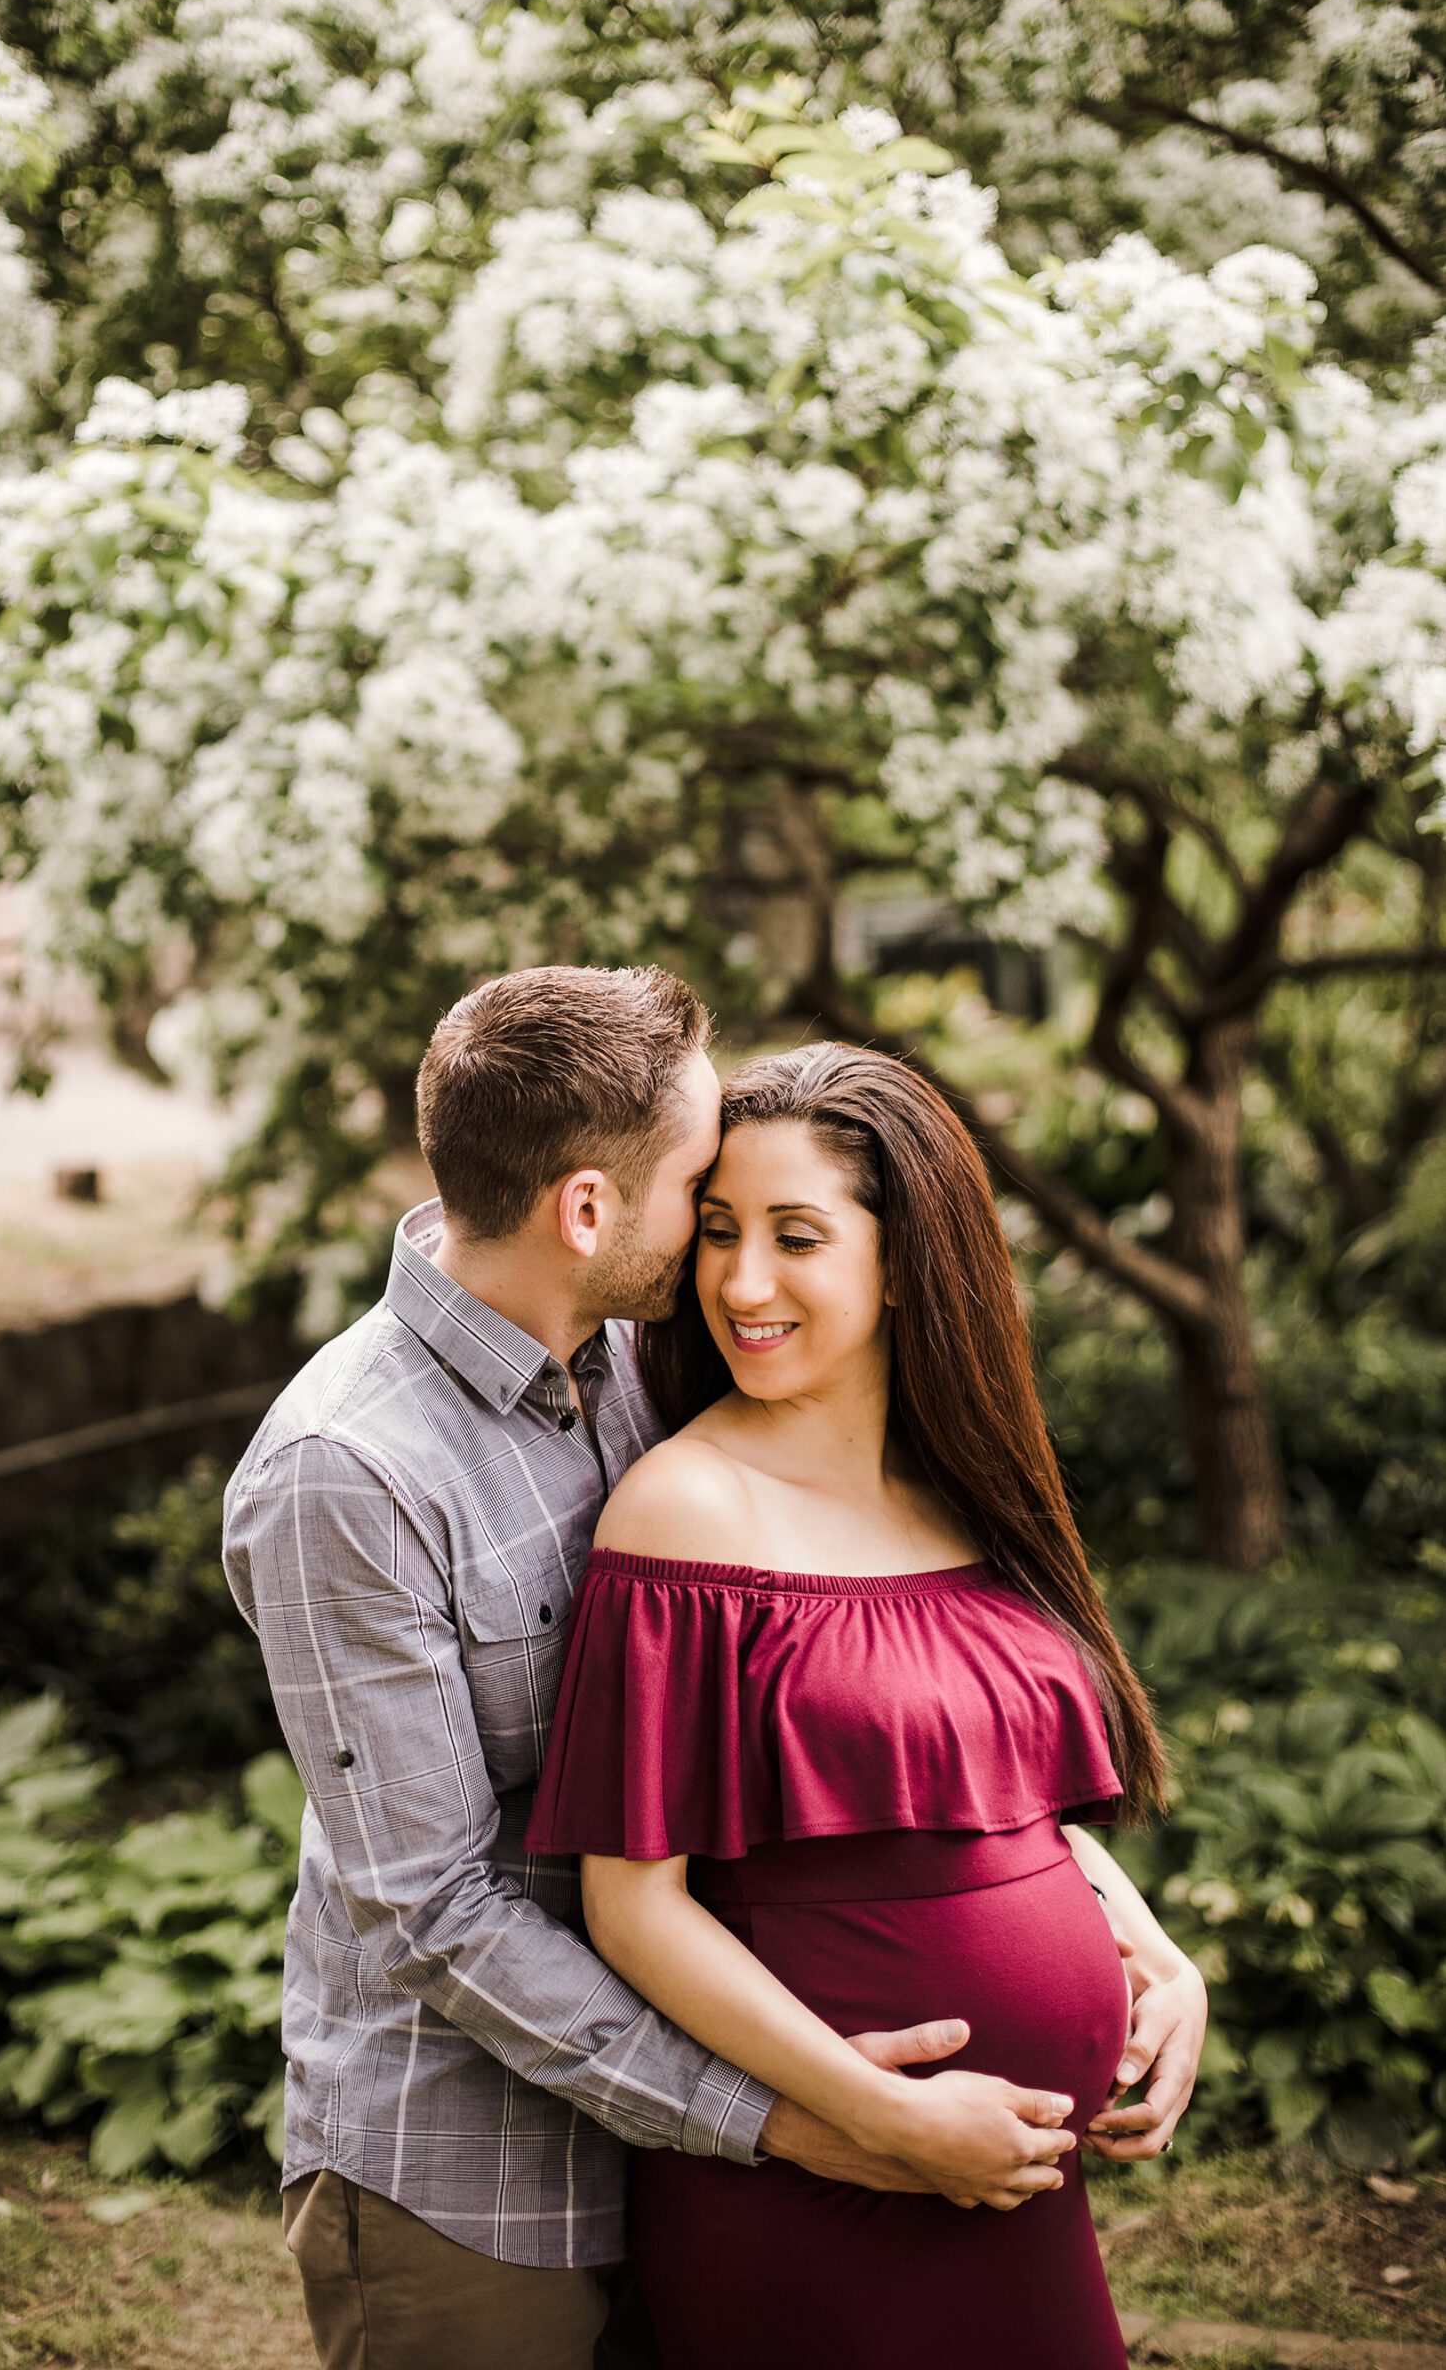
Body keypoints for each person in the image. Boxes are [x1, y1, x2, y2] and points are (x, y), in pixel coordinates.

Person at [224, 969, 1142, 2370]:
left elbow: (873, 1709)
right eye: (704, 1200)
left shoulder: (637, 1374)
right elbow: (430, 1907)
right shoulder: (346, 1474)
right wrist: (808, 2121)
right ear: (590, 1212)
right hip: (481, 2173)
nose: (734, 1264)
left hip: (708, 2139)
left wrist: (1116, 1929)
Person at [525, 1041, 1209, 2369]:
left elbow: (1009, 1813)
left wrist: (1159, 1958)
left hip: (1014, 2185)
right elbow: (635, 1905)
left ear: (906, 1261)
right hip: (827, 2182)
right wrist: (877, 2117)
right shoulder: (688, 1509)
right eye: (719, 1232)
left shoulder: (961, 1496)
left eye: (797, 1236)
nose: (742, 1282)